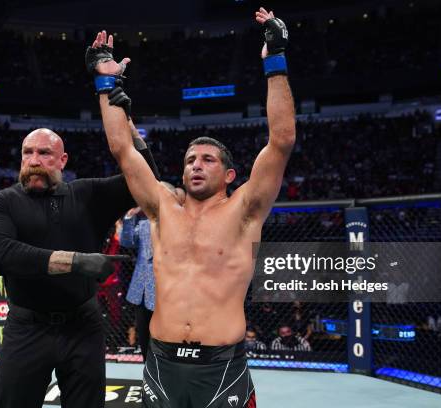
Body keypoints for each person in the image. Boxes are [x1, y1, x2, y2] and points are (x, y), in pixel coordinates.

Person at [94, 7, 295, 406]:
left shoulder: (245, 210)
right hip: (161, 361)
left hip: (221, 368)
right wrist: (104, 78)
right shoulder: (162, 208)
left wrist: (275, 60)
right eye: (189, 160)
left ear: (230, 175)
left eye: (207, 160)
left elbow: (282, 140)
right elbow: (121, 148)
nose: (196, 165)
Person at [0, 74, 160, 406]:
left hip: (82, 324)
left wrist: (127, 123)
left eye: (44, 153)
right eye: (27, 153)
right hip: (25, 326)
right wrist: (76, 261)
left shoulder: (88, 194)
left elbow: (146, 180)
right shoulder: (0, 203)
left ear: (62, 160)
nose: (34, 161)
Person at [120, 182, 182, 360]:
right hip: (142, 290)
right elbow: (127, 242)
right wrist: (130, 217)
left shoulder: (180, 223)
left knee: (166, 340)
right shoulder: (144, 223)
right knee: (144, 338)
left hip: (167, 291)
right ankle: (148, 375)